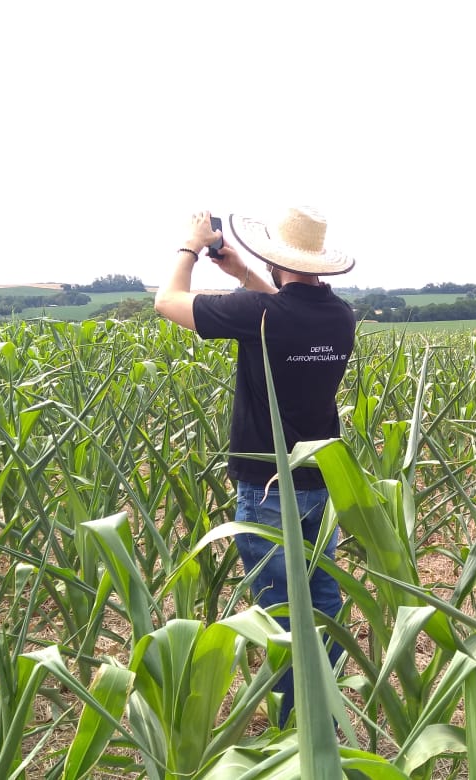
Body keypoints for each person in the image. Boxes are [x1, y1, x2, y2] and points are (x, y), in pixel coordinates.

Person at [154, 206, 356, 728]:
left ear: (277, 259)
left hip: (267, 490)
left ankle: (297, 728)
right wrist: (242, 270)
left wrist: (191, 246)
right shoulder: (338, 316)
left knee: (278, 611)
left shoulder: (260, 314)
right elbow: (287, 309)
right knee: (323, 600)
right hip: (321, 480)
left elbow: (166, 301)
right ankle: (328, 716)